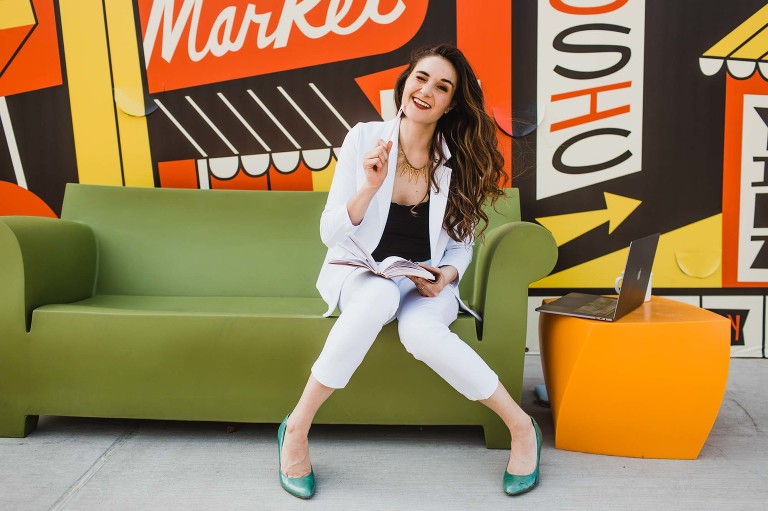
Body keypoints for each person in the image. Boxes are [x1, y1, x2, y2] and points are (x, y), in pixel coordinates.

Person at [276, 44, 541, 499]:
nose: (426, 91)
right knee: (379, 296)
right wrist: (369, 187)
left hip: (422, 280)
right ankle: (297, 428)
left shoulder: (456, 158)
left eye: (442, 87)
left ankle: (521, 427)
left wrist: (446, 277)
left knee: (419, 332)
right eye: (421, 78)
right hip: (362, 272)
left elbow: (460, 245)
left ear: (451, 103)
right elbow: (329, 232)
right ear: (405, 83)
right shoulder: (364, 138)